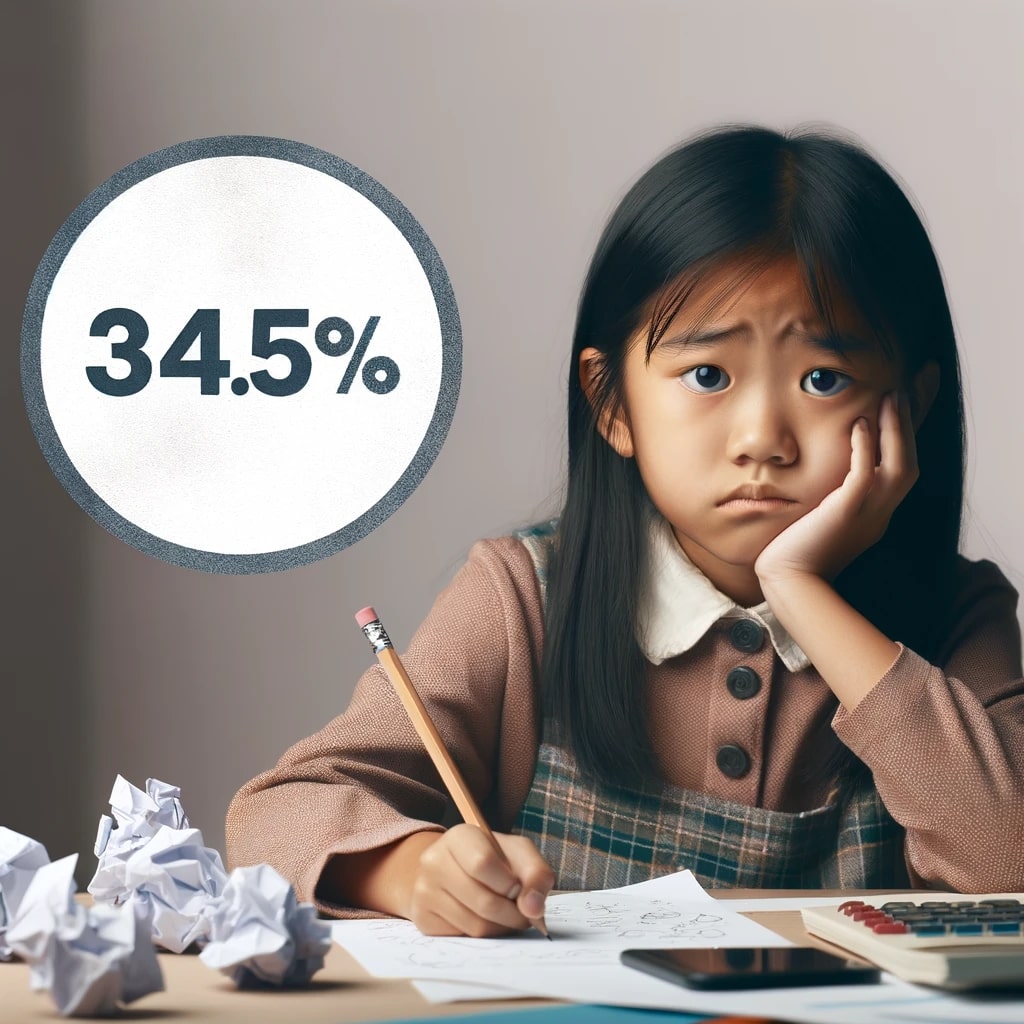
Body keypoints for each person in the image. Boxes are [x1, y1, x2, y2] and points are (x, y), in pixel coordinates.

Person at [225, 124, 1024, 938]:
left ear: (910, 408)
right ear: (612, 404)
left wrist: (802, 589)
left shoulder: (957, 618)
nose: (762, 438)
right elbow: (278, 815)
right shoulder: (525, 598)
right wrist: (412, 870)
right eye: (707, 375)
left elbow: (1009, 863)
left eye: (824, 378)